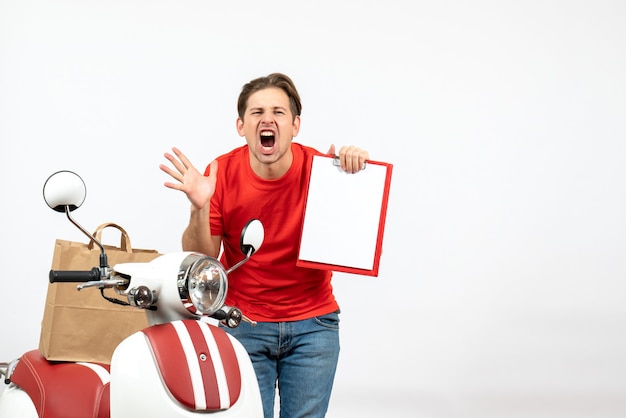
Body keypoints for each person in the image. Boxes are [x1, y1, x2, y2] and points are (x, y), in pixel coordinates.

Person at [159, 72, 369, 418]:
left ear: (295, 125)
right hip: (243, 324)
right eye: (256, 113)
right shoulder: (220, 174)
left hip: (313, 326)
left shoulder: (321, 170)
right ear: (241, 126)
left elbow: (349, 234)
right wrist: (200, 206)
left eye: (278, 112)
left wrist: (349, 176)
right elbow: (203, 258)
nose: (267, 119)